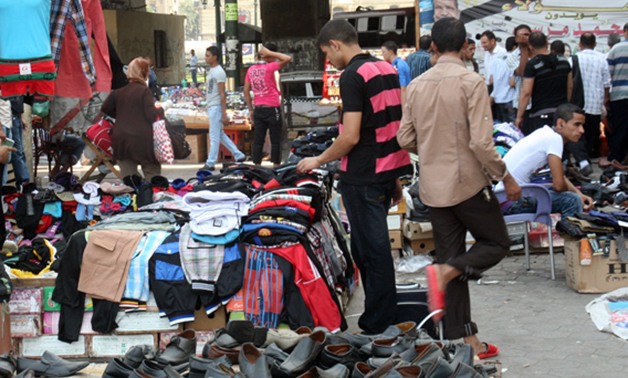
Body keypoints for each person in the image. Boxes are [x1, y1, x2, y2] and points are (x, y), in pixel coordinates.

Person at [396, 17, 521, 358]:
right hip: (467, 183)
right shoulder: (471, 81)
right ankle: (446, 272)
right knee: (495, 243)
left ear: (433, 46)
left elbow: (404, 137)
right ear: (465, 45)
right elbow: (482, 143)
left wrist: (432, 146)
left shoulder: (418, 84)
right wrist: (505, 175)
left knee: (453, 259)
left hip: (433, 188)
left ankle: (466, 341)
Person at [297, 19, 412, 334]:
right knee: (371, 249)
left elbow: (350, 137)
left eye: (327, 54)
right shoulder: (386, 69)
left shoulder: (352, 76)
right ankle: (383, 319)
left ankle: (380, 325)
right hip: (384, 172)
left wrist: (317, 159)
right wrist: (396, 178)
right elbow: (389, 129)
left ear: (335, 44)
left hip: (362, 176)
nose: (329, 62)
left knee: (371, 251)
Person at [498, 104, 594, 218]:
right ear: (560, 124)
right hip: (512, 200)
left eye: (582, 125)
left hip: (502, 198)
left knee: (571, 195)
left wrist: (579, 194)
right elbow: (559, 185)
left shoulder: (545, 133)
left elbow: (559, 177)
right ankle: (573, 233)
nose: (582, 130)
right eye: (577, 125)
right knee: (571, 201)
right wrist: (576, 196)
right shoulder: (554, 139)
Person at [101, 57, 164, 180]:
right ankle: (149, 195)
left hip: (121, 140)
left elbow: (105, 108)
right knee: (153, 175)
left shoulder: (118, 92)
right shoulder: (144, 92)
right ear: (145, 73)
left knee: (130, 180)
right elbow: (151, 115)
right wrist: (160, 111)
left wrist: (121, 116)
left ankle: (135, 194)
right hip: (143, 140)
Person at [243, 44, 292, 167]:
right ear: (268, 56)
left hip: (258, 108)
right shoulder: (270, 68)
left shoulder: (251, 70)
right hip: (272, 108)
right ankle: (276, 165)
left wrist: (251, 109)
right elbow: (287, 58)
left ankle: (257, 166)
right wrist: (272, 53)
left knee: (258, 139)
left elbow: (246, 90)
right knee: (275, 139)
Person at [516, 32, 572, 135]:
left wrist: (519, 117)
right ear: (547, 43)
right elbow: (570, 88)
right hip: (562, 113)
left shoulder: (532, 65)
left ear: (531, 47)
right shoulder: (564, 62)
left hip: (541, 114)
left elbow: (526, 93)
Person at [569, 33, 611, 173]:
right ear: (595, 44)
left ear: (580, 45)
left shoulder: (573, 59)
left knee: (577, 134)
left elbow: (569, 82)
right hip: (595, 104)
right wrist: (604, 100)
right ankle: (586, 161)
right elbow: (606, 84)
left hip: (577, 104)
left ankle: (582, 162)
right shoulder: (602, 59)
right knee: (591, 134)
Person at [202, 46, 246, 171]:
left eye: (208, 55)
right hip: (212, 106)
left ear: (215, 57)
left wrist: (223, 112)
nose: (206, 58)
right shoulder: (212, 71)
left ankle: (210, 163)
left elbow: (222, 93)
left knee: (214, 135)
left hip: (216, 106)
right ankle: (238, 155)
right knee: (219, 134)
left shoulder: (219, 72)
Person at [604, 23, 628, 170]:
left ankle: (616, 158)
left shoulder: (616, 49)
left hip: (620, 95)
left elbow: (608, 75)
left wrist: (606, 98)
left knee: (620, 128)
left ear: (625, 32)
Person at [507, 25, 532, 129]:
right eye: (522, 35)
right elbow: (522, 72)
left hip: (540, 104)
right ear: (516, 39)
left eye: (527, 35)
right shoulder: (512, 56)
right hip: (523, 105)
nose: (525, 38)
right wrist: (523, 49)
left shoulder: (538, 51)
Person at [490, 36, 516, 122]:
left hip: (498, 100)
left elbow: (491, 80)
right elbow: (512, 83)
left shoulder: (497, 60)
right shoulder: (514, 60)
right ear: (515, 47)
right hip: (510, 99)